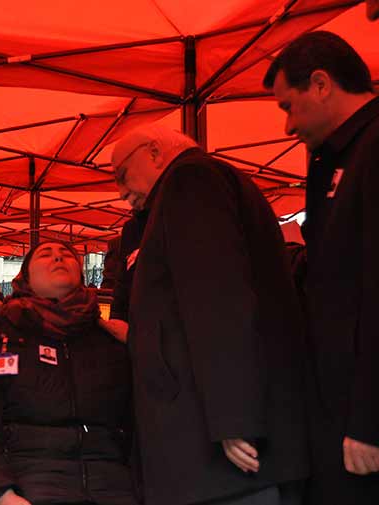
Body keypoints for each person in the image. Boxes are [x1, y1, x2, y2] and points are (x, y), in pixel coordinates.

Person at [110, 124, 308, 505]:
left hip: (225, 460)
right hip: (222, 454)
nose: (121, 191)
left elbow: (219, 300)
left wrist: (235, 419)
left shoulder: (190, 180)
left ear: (154, 153)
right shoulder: (201, 184)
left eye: (123, 174)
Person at [263, 31, 379, 504]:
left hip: (360, 421)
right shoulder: (332, 156)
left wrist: (369, 421)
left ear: (321, 83)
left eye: (289, 106)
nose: (288, 126)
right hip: (333, 410)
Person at [0, 240, 136, 505]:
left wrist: (139, 344)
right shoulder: (2, 340)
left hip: (113, 486)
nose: (58, 258)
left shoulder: (108, 340)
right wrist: (1, 493)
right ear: (27, 277)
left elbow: (138, 422)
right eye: (46, 254)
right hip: (31, 487)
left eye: (66, 254)